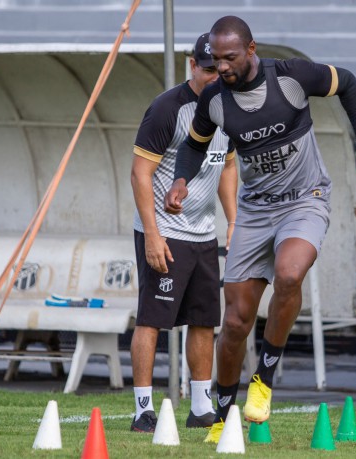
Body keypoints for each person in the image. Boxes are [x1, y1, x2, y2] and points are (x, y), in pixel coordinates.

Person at [164, 16, 356, 443]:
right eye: (215, 59)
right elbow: (194, 145)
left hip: (306, 198)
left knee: (289, 274)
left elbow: (349, 84)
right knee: (235, 322)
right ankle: (222, 415)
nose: (223, 67)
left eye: (230, 58)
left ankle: (264, 380)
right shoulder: (214, 99)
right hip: (254, 210)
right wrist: (181, 180)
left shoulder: (290, 76)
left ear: (251, 50)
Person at [129, 33, 237, 433]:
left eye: (221, 68)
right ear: (192, 65)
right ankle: (143, 409)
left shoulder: (229, 105)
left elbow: (226, 165)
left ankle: (201, 406)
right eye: (209, 69)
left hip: (203, 233)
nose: (216, 75)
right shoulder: (167, 109)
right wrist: (153, 235)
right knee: (152, 320)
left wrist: (234, 221)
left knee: (205, 320)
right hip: (165, 231)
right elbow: (140, 174)